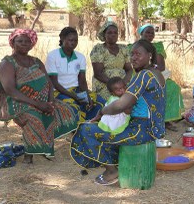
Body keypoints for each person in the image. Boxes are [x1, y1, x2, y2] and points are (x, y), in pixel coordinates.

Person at [70, 39, 165, 185]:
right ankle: (117, 165)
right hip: (153, 128)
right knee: (108, 128)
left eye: (138, 54)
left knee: (86, 129)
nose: (133, 58)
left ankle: (111, 171)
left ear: (150, 55)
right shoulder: (156, 73)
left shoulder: (143, 76)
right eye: (131, 54)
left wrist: (102, 111)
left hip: (141, 130)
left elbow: (121, 104)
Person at [0, 29, 78, 164]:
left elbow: (49, 83)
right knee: (33, 116)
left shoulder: (36, 61)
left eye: (27, 41)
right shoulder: (7, 63)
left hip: (42, 101)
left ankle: (45, 147)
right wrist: (38, 104)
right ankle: (29, 155)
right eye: (20, 41)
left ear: (32, 44)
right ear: (12, 43)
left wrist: (50, 102)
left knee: (65, 110)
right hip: (16, 103)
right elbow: (10, 90)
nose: (24, 44)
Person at [129, 24, 184, 131]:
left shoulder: (157, 46)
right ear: (141, 33)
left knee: (173, 87)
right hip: (136, 73)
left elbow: (161, 66)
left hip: (154, 72)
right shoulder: (133, 46)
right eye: (147, 32)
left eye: (152, 32)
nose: (150, 34)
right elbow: (130, 64)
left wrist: (150, 69)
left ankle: (166, 120)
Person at [45, 26, 105, 122]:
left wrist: (87, 95)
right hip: (59, 92)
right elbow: (54, 83)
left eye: (76, 40)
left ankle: (90, 128)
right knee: (74, 107)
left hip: (76, 90)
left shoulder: (80, 57)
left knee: (100, 103)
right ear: (62, 39)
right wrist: (74, 96)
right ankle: (77, 131)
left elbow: (82, 81)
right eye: (70, 40)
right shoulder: (53, 56)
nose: (73, 43)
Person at [90, 21, 133, 100]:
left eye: (115, 33)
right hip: (105, 85)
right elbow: (98, 73)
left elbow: (129, 69)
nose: (113, 35)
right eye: (109, 33)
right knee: (109, 105)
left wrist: (123, 83)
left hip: (123, 84)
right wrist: (114, 86)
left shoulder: (124, 48)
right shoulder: (99, 49)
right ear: (104, 35)